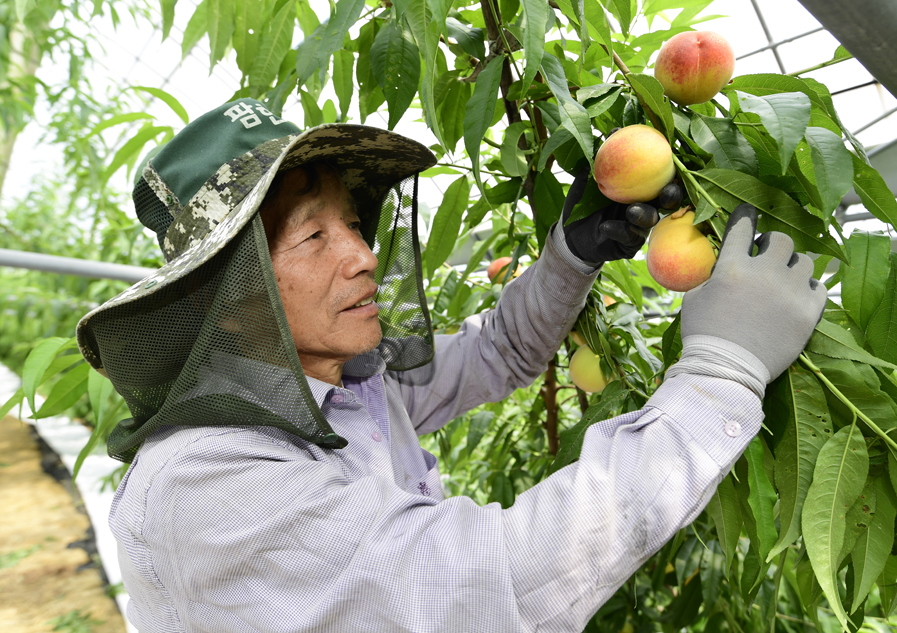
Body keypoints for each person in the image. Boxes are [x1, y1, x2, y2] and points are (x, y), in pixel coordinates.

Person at [76, 99, 826, 632]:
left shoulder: (349, 390)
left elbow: (499, 350)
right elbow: (482, 584)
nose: (365, 256)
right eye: (312, 237)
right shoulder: (208, 480)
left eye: (354, 223)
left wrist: (572, 255)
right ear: (231, 298)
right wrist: (721, 373)